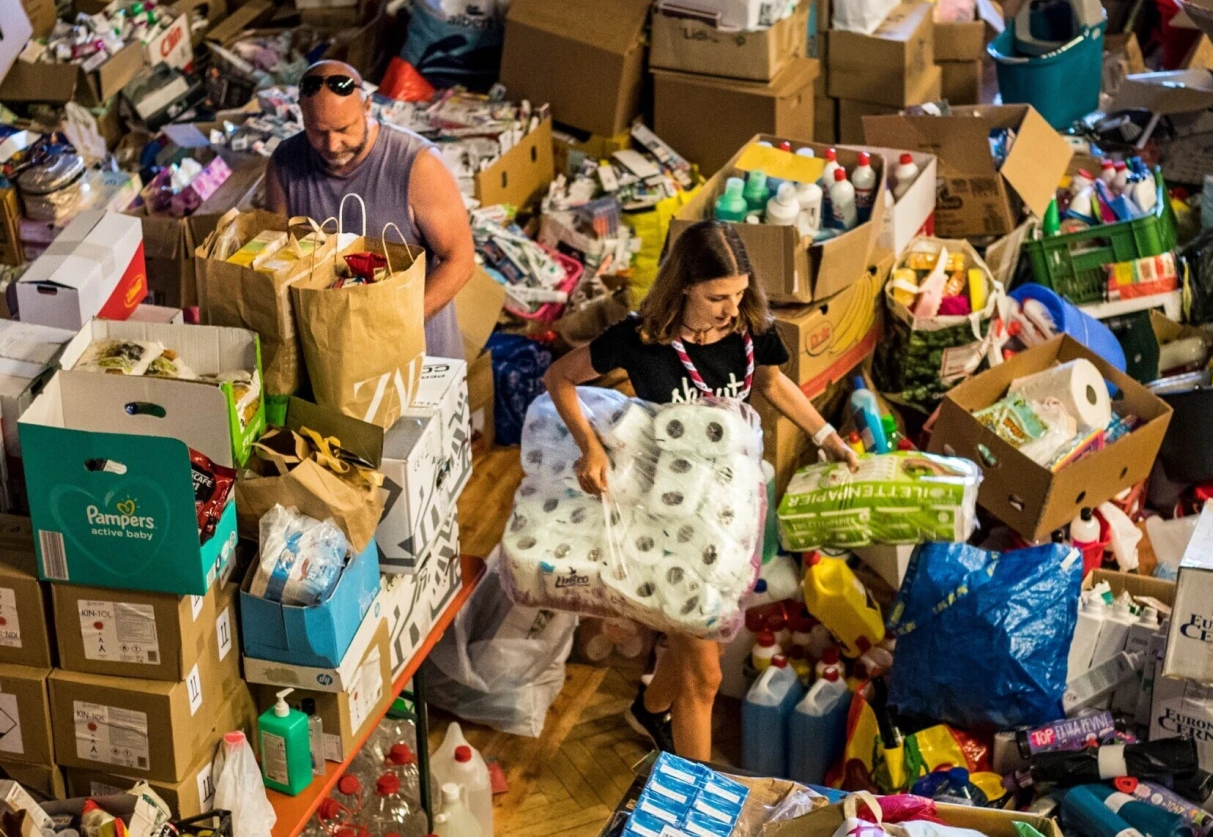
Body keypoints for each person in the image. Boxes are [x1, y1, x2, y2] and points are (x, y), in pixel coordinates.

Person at [543, 221, 859, 762]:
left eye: (738, 293)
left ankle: (648, 710)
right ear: (684, 286)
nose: (730, 308)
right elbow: (559, 379)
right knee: (707, 676)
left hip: (730, 509)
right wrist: (590, 448)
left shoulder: (750, 326)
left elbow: (772, 383)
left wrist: (824, 435)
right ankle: (696, 794)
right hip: (665, 517)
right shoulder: (640, 339)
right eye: (717, 297)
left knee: (696, 631)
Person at [265, 60, 474, 360]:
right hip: (330, 351)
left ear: (367, 107)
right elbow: (280, 256)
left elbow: (460, 261)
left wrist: (393, 329)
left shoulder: (418, 165)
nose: (333, 144)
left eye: (342, 129)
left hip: (415, 351)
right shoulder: (285, 163)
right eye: (317, 131)